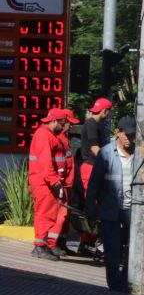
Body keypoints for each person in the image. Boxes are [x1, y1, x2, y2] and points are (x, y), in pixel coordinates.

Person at [85, 117, 136, 292]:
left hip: (132, 209)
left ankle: (125, 280)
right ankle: (115, 285)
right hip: (110, 208)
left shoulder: (140, 153)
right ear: (118, 132)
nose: (129, 138)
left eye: (132, 135)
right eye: (126, 134)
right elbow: (94, 183)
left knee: (134, 248)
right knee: (112, 249)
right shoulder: (106, 153)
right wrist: (90, 207)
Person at [28, 108, 67, 261]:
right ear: (54, 121)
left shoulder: (47, 134)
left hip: (44, 181)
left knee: (47, 213)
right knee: (45, 214)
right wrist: (53, 180)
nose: (63, 127)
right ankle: (39, 247)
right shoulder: (44, 135)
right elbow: (45, 162)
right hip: (44, 183)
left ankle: (41, 246)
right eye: (62, 123)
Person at [79, 97, 112, 250]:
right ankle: (86, 241)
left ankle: (88, 241)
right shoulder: (92, 125)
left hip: (93, 167)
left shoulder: (95, 124)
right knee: (93, 205)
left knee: (97, 205)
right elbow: (94, 147)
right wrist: (108, 162)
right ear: (105, 111)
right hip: (91, 167)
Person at [53, 108, 80, 253]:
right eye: (69, 123)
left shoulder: (65, 139)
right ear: (62, 123)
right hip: (61, 184)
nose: (71, 126)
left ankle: (62, 242)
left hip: (68, 183)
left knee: (65, 216)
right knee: (59, 214)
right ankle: (54, 243)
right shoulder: (58, 139)